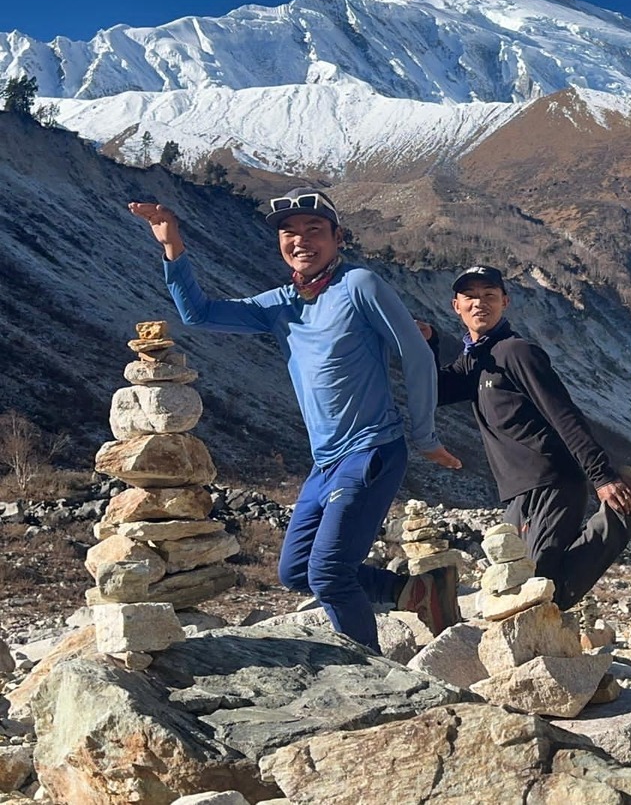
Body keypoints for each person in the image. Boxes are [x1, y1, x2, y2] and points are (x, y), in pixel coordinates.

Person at [128, 188, 463, 653]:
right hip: (325, 463)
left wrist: (425, 437)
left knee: (329, 573)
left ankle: (369, 674)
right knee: (297, 571)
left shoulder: (360, 285)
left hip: (371, 450)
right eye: (290, 232)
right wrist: (171, 244)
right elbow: (198, 313)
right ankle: (414, 593)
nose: (301, 240)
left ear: (337, 237)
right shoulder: (282, 303)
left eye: (314, 230)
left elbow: (416, 355)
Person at [418, 264, 631, 611]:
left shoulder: (516, 352)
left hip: (550, 480)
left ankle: (623, 511)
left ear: (505, 302)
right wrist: (430, 343)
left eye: (489, 296)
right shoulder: (476, 362)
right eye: (470, 297)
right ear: (456, 305)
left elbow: (563, 414)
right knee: (516, 588)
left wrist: (602, 476)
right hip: (519, 493)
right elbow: (433, 391)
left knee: (540, 591)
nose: (479, 303)